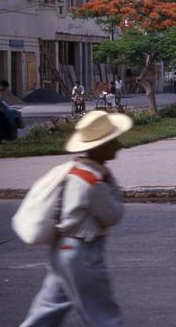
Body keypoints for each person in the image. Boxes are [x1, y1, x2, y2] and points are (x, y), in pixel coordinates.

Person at [20, 110, 133, 326]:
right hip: (84, 252)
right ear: (100, 147)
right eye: (113, 141)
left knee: (47, 310)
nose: (118, 145)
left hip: (61, 249)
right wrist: (111, 182)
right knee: (102, 314)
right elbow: (114, 215)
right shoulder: (94, 182)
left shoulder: (73, 171)